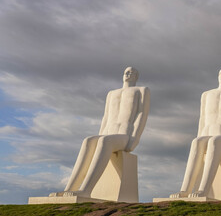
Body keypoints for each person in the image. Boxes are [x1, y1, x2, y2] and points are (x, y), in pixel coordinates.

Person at [52, 67, 150, 197]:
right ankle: (69, 188)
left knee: (104, 141)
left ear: (136, 77)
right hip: (108, 132)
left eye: (132, 72)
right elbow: (106, 116)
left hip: (124, 135)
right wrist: (99, 135)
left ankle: (86, 190)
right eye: (126, 71)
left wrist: (135, 138)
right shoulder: (111, 93)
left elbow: (141, 114)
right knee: (88, 141)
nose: (128, 74)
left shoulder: (142, 90)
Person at [171, 68, 221, 198]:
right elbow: (202, 118)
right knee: (196, 142)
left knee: (215, 141)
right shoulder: (206, 94)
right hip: (208, 131)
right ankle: (185, 189)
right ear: (218, 76)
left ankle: (203, 189)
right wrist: (199, 134)